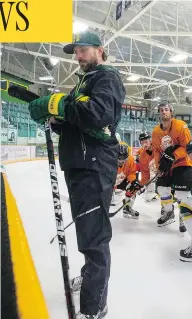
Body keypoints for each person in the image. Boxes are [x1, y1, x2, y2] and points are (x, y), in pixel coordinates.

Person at [28, 31, 125, 319]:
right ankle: (91, 277)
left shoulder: (106, 77)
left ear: (99, 50)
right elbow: (76, 121)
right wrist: (55, 119)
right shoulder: (82, 83)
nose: (78, 56)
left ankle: (95, 306)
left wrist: (60, 106)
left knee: (94, 237)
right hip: (80, 164)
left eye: (83, 50)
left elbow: (99, 115)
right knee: (86, 232)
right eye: (75, 52)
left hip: (94, 166)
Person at [151, 101, 192, 233]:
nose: (164, 111)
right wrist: (159, 165)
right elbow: (157, 150)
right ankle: (169, 212)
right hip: (167, 165)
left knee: (181, 193)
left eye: (166, 109)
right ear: (159, 113)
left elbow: (188, 147)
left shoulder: (181, 126)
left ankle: (183, 216)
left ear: (171, 112)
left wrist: (173, 156)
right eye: (161, 110)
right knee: (162, 189)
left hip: (182, 163)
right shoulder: (156, 131)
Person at [114, 143, 141, 219]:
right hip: (110, 181)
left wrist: (134, 182)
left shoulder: (131, 159)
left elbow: (132, 173)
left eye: (123, 160)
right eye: (119, 160)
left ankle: (127, 208)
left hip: (122, 179)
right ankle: (102, 209)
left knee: (134, 187)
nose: (121, 162)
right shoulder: (108, 159)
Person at [135, 131, 158, 202]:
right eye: (142, 143)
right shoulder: (142, 156)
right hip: (157, 174)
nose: (144, 144)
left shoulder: (158, 147)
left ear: (150, 140)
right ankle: (153, 192)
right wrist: (141, 185)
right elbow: (145, 174)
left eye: (146, 142)